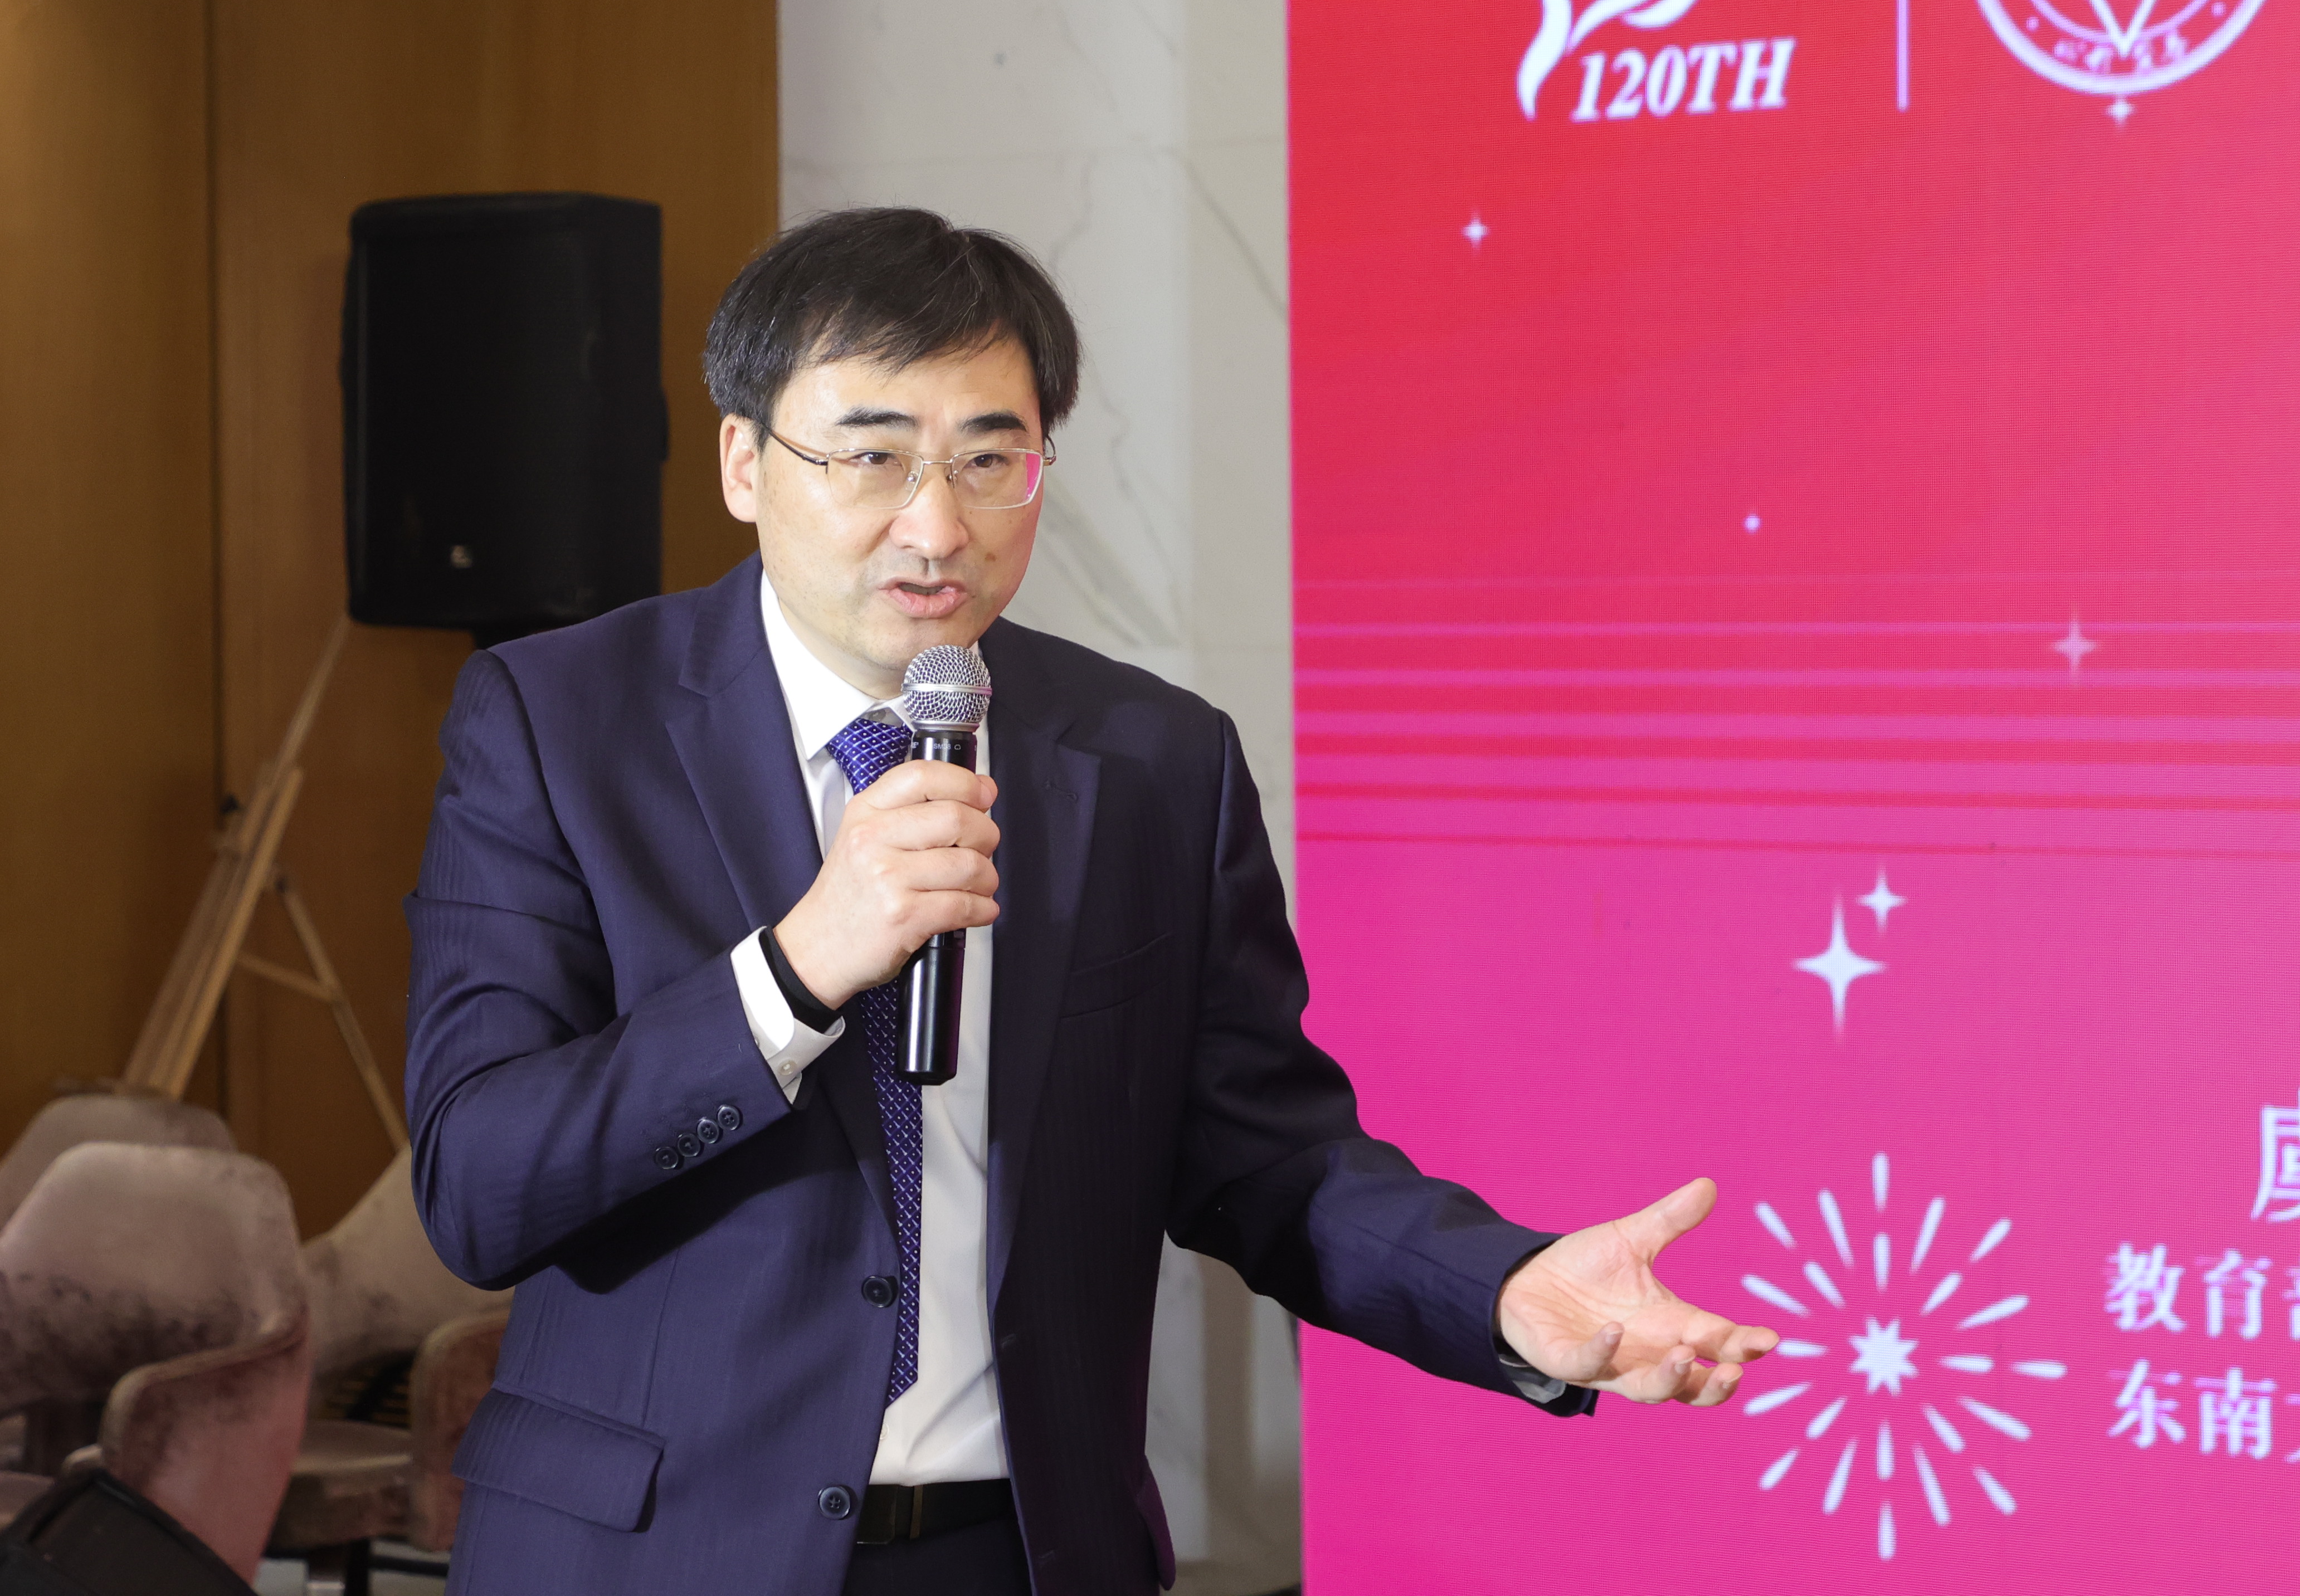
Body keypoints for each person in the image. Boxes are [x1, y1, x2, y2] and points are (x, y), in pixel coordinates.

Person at [403, 208, 1775, 1596]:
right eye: (873, 456)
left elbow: (1268, 1159)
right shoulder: (560, 723)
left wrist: (1507, 1291)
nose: (937, 526)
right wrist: (798, 968)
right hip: (651, 1556)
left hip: (1019, 1553)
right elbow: (477, 1181)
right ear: (745, 463)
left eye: (988, 459)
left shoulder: (1152, 759)